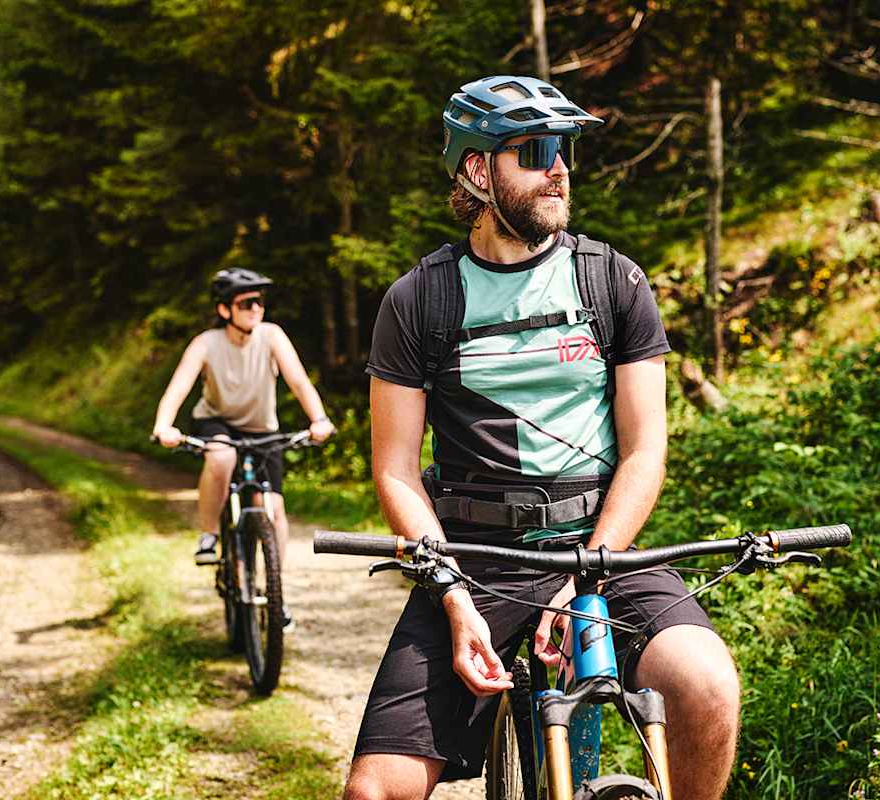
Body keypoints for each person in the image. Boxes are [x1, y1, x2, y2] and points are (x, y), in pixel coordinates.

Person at [344, 76, 740, 800]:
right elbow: (396, 470)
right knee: (374, 792)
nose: (559, 167)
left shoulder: (612, 282)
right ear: (475, 170)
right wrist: (453, 598)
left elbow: (646, 448)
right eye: (535, 151)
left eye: (565, 149)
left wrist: (590, 567)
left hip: (603, 547)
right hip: (474, 560)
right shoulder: (419, 300)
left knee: (707, 685)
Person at [152, 268, 335, 626]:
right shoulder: (206, 343)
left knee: (275, 510)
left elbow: (298, 381)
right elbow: (179, 387)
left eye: (259, 302)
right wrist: (163, 425)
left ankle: (275, 593)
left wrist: (319, 419)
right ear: (225, 310)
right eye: (246, 302)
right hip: (217, 422)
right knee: (221, 458)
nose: (256, 308)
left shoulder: (272, 336)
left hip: (261, 428)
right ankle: (209, 535)